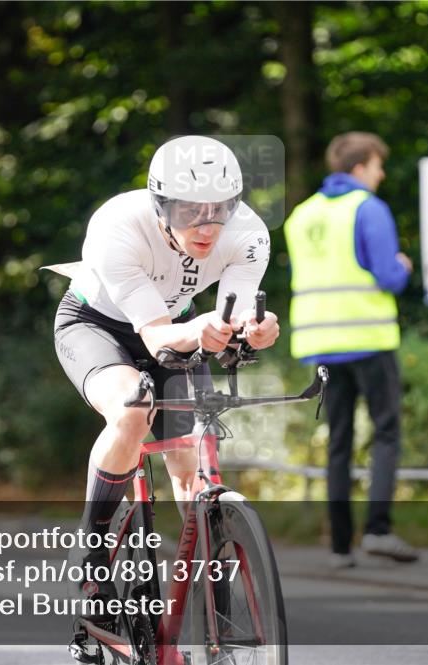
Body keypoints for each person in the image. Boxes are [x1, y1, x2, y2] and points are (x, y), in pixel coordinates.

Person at [52, 135, 279, 616]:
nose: (207, 226)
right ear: (161, 205)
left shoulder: (249, 233)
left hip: (181, 324)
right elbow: (156, 337)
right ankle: (91, 549)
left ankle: (213, 596)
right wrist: (202, 329)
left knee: (192, 465)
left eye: (220, 210)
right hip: (97, 325)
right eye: (189, 211)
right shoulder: (117, 226)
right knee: (132, 408)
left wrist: (253, 332)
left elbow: (232, 320)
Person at [284, 131, 418, 569]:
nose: (381, 175)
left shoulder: (303, 215)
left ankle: (340, 547)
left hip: (320, 344)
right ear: (360, 168)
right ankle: (378, 530)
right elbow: (386, 276)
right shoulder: (368, 208)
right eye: (378, 166)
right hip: (368, 339)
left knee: (338, 442)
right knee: (386, 433)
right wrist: (402, 266)